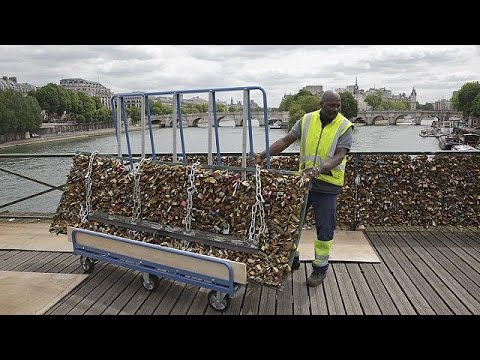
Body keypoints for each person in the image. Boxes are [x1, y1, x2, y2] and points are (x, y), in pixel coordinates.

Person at [250, 90, 353, 287]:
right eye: (331, 105)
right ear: (321, 103)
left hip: (328, 186)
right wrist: (262, 156)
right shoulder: (306, 120)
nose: (336, 109)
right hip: (304, 183)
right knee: (292, 224)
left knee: (325, 230)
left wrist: (320, 169)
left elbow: (340, 155)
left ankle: (319, 269)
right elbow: (285, 141)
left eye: (338, 105)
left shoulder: (344, 126)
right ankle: (292, 259)